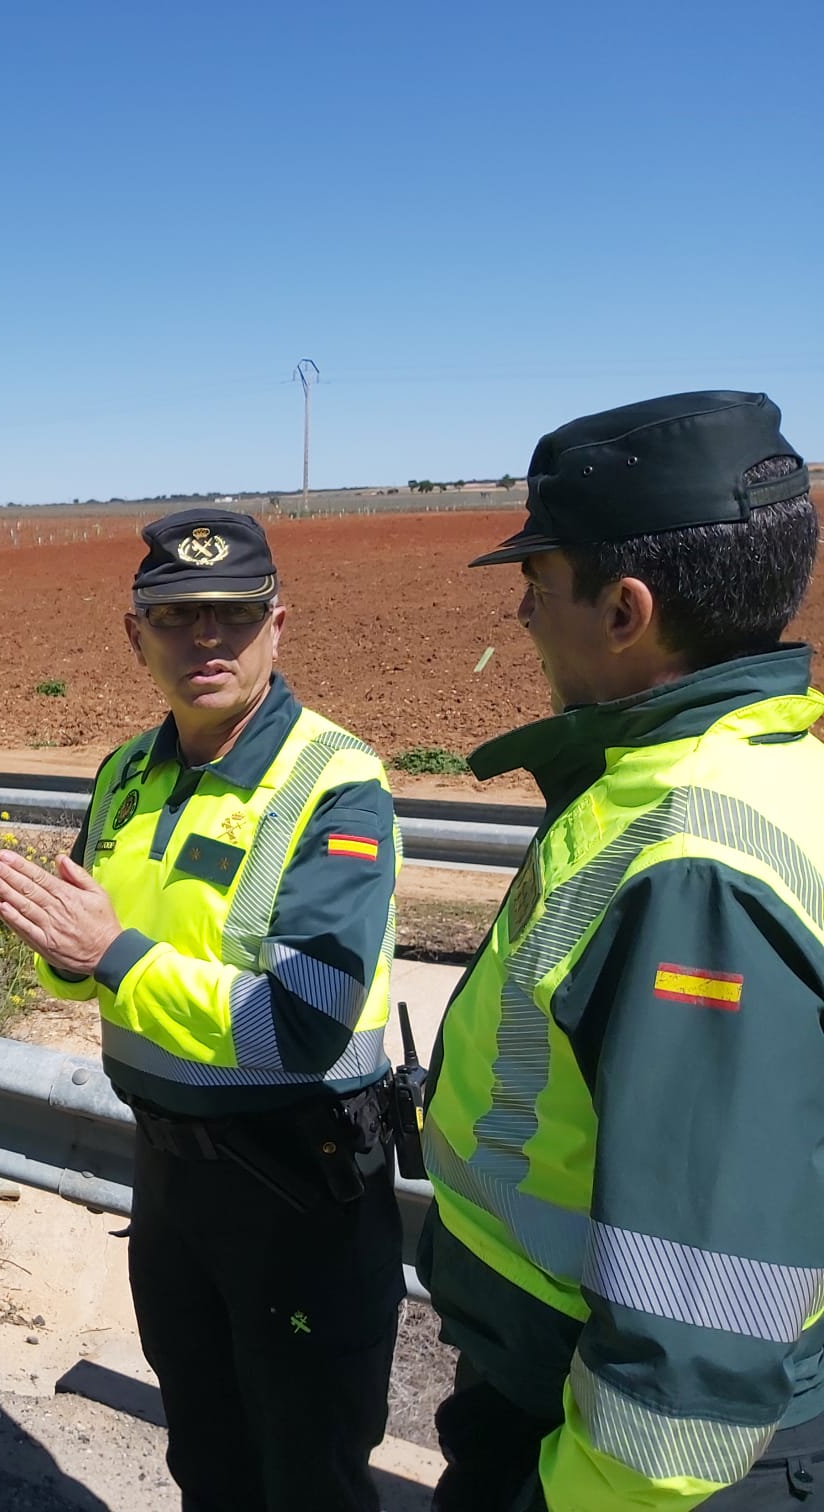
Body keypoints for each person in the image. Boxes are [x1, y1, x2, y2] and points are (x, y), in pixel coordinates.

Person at [419, 392, 824, 1510]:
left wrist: (576, 1492)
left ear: (626, 609)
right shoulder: (772, 773)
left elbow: (696, 1339)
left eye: (539, 585)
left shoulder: (692, 866)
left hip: (629, 1463)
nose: (525, 612)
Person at [0, 509, 405, 1511]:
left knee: (308, 1475)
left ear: (278, 626)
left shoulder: (335, 783)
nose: (205, 639)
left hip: (301, 1191)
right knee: (206, 1458)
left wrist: (113, 953)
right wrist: (68, 951)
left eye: (231, 615)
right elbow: (82, 971)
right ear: (136, 636)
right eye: (176, 618)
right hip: (170, 1184)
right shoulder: (128, 772)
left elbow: (304, 1025)